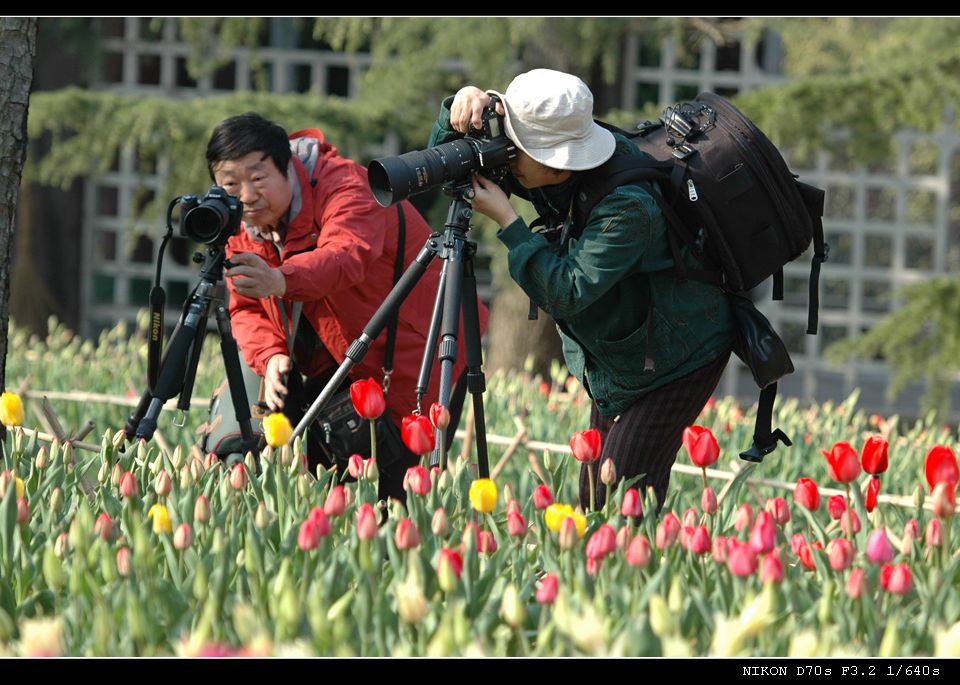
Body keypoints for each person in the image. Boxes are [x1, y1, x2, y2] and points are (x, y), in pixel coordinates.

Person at [430, 69, 734, 511]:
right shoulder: (548, 172)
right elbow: (450, 176)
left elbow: (566, 291)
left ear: (557, 162)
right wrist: (458, 111)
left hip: (677, 358)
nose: (507, 156)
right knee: (596, 499)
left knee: (617, 501)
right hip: (623, 355)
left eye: (516, 148)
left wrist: (510, 224)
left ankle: (629, 577)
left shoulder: (628, 207)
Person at [206, 112, 488, 499]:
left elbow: (348, 254)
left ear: (287, 166)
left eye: (257, 179)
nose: (247, 196)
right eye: (230, 184)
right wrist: (270, 355)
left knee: (395, 502)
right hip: (339, 364)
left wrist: (281, 278)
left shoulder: (349, 185)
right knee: (329, 497)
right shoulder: (240, 222)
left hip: (416, 353)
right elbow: (246, 307)